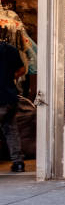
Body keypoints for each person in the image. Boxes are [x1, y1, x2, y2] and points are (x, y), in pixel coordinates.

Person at [0, 39, 26, 172]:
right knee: (11, 130)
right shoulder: (10, 49)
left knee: (10, 129)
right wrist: (9, 77)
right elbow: (22, 69)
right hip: (10, 97)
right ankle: (18, 162)